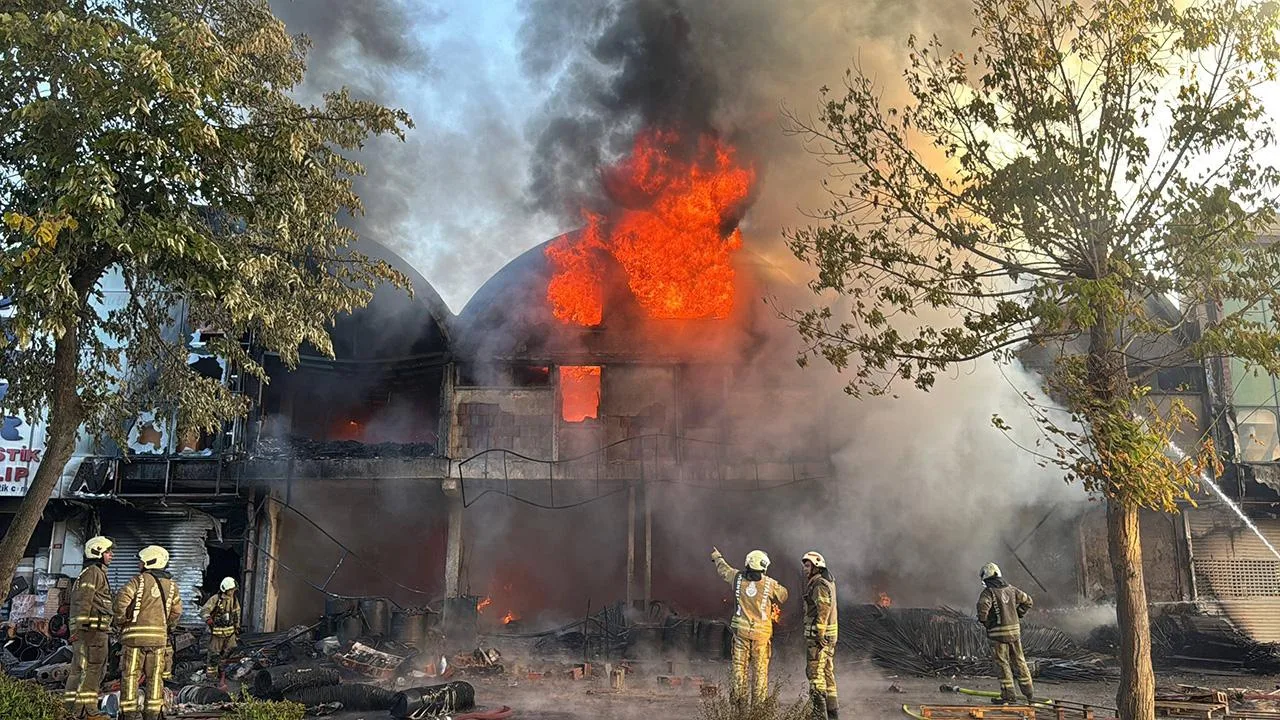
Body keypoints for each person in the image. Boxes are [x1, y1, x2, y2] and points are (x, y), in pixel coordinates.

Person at [711, 546, 788, 707]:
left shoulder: (737, 577)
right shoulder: (769, 583)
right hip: (761, 637)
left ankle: (739, 705)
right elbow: (783, 596)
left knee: (739, 669)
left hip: (741, 634)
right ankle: (758, 708)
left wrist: (717, 557)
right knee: (760, 671)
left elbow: (724, 570)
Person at [114, 545, 183, 720]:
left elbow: (120, 603)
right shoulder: (172, 586)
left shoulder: (137, 581)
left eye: (141, 561)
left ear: (149, 562)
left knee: (130, 676)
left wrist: (121, 621)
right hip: (159, 641)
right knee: (155, 677)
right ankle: (152, 714)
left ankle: (129, 714)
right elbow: (176, 612)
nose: (139, 564)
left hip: (134, 640)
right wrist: (166, 628)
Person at [63, 536, 114, 719]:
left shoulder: (90, 572)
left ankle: (73, 710)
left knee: (81, 671)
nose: (111, 555)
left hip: (90, 631)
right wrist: (79, 630)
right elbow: (82, 601)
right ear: (97, 552)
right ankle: (87, 711)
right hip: (91, 633)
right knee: (91, 672)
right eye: (108, 552)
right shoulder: (93, 572)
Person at [976, 562, 1035, 704]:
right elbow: (1028, 601)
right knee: (1019, 660)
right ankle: (1029, 693)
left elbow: (983, 607)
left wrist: (987, 622)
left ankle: (1009, 696)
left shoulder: (989, 592)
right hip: (1014, 633)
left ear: (986, 577)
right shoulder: (1012, 590)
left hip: (999, 635)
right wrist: (1018, 614)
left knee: (1002, 663)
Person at [801, 551, 839, 720]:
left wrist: (819, 634)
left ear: (817, 567)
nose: (805, 569)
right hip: (829, 637)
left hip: (820, 639)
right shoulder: (828, 581)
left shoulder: (819, 584)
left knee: (815, 675)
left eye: (808, 565)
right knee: (828, 675)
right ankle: (833, 715)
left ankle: (819, 716)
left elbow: (823, 610)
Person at [200, 577, 241, 679]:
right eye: (231, 590)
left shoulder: (234, 600)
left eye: (233, 590)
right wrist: (208, 619)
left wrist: (237, 628)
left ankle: (224, 673)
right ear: (225, 589)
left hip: (230, 634)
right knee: (214, 655)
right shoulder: (216, 599)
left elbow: (237, 614)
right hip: (217, 634)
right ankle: (211, 675)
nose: (232, 592)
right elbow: (204, 610)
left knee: (230, 653)